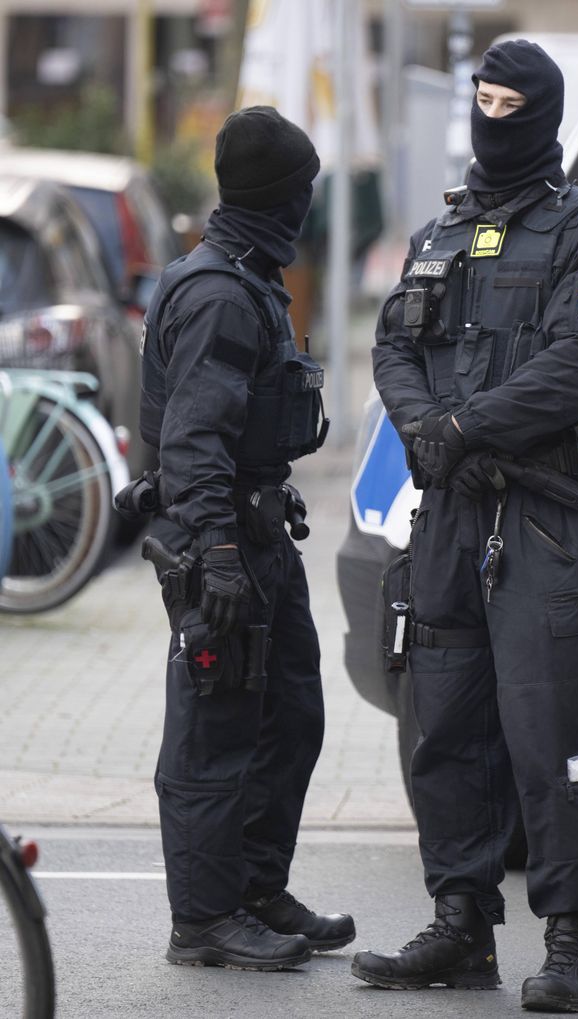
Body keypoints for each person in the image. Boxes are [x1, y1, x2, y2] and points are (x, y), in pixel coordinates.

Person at [352, 40, 578, 1012]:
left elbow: (576, 365)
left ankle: (573, 941)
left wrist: (464, 426)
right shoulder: (441, 232)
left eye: (508, 102)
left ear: (543, 114)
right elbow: (394, 344)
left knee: (554, 726)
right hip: (447, 509)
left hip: (541, 510)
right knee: (443, 720)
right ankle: (459, 921)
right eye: (481, 98)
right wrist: (423, 432)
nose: (491, 115)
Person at [135, 106, 353, 971]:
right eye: (302, 191)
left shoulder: (246, 274)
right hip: (219, 544)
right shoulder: (223, 294)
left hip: (258, 535)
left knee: (289, 715)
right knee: (214, 736)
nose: (307, 206)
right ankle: (206, 918)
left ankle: (259, 888)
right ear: (279, 197)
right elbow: (192, 441)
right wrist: (217, 553)